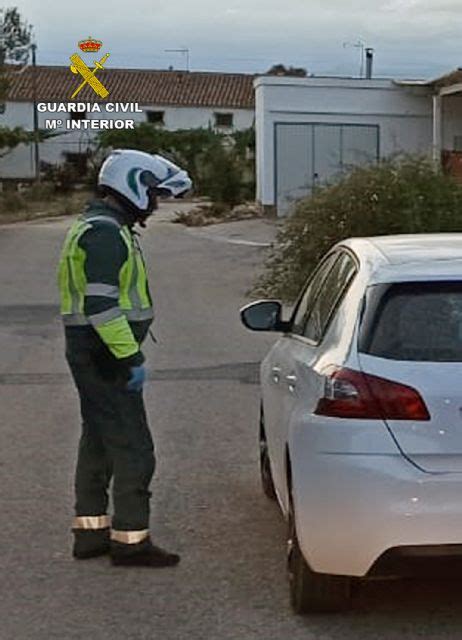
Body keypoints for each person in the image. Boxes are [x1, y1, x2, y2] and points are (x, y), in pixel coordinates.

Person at [58, 149, 191, 567]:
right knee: (134, 447)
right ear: (131, 185)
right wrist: (130, 357)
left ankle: (91, 532)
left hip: (92, 351)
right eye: (152, 193)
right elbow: (102, 307)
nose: (154, 202)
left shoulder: (99, 226)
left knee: (98, 439)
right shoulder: (105, 234)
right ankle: (131, 541)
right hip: (104, 353)